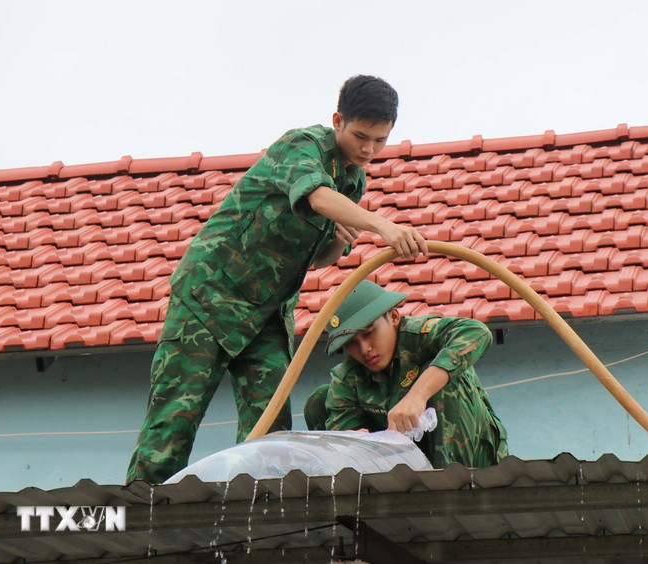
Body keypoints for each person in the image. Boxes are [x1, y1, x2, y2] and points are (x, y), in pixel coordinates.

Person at [126, 75, 428, 484]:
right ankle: (141, 517)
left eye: (380, 140)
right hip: (211, 297)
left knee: (270, 428)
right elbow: (317, 196)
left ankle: (257, 519)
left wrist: (338, 246)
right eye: (361, 136)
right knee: (175, 418)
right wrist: (383, 227)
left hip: (268, 312)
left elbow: (317, 259)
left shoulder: (353, 180)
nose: (369, 149)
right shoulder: (300, 146)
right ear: (338, 120)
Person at [304, 280, 508, 468]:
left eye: (368, 333)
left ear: (393, 317)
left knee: (444, 375)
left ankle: (452, 481)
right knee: (319, 400)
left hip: (475, 461)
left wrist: (418, 395)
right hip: (403, 470)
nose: (364, 349)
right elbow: (344, 434)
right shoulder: (347, 377)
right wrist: (351, 443)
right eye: (351, 344)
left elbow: (476, 332)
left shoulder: (419, 336)